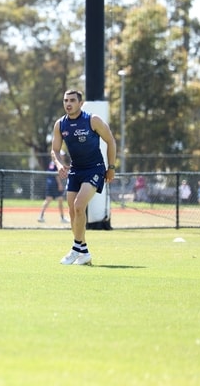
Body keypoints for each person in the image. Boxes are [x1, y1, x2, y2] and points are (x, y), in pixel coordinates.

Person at [50, 89, 117, 266]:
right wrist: (58, 165)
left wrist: (111, 167)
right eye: (66, 100)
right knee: (72, 211)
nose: (68, 104)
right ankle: (84, 251)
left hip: (94, 169)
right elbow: (55, 149)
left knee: (79, 205)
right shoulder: (60, 124)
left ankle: (74, 249)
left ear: (81, 103)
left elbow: (110, 140)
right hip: (75, 169)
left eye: (72, 100)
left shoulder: (92, 120)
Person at [38, 152, 68, 223]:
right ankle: (62, 218)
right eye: (62, 155)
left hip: (49, 182)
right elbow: (56, 175)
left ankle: (41, 216)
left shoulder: (52, 162)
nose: (63, 157)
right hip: (54, 183)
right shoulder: (57, 162)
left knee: (48, 199)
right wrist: (60, 184)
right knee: (60, 199)